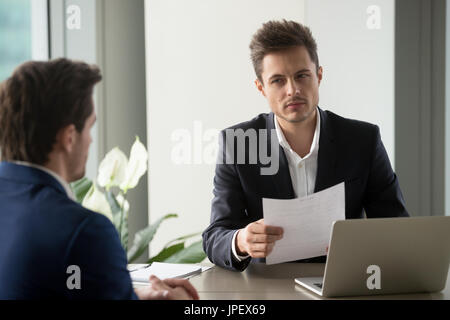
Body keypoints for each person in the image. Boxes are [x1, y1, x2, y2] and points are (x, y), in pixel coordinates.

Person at [202, 20, 409, 272]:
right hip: (268, 289)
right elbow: (215, 236)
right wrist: (241, 241)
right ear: (261, 87)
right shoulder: (238, 144)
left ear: (319, 75)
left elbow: (395, 226)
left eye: (302, 75)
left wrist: (362, 244)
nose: (293, 90)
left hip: (344, 282)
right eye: (278, 80)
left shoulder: (363, 140)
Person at [0, 58, 199, 300]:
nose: (91, 141)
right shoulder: (83, 231)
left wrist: (134, 295)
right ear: (69, 137)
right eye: (89, 127)